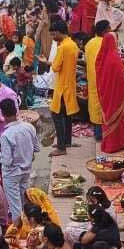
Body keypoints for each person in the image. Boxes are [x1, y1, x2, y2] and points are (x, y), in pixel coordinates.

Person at [0, 98, 38, 222]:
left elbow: (7, 161)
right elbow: (36, 148)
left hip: (11, 174)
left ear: (3, 115)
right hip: (26, 170)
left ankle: (19, 233)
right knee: (24, 201)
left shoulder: (6, 135)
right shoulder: (29, 127)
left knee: (15, 207)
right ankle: (28, 226)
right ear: (16, 111)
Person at [95, 28, 124, 153]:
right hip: (116, 95)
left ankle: (109, 145)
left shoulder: (102, 57)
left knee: (108, 120)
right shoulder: (115, 58)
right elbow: (122, 79)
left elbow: (99, 73)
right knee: (118, 122)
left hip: (105, 95)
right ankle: (117, 144)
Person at [49, 18, 79, 157]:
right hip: (70, 84)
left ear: (60, 32)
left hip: (62, 86)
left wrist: (48, 62)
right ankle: (67, 141)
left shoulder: (62, 47)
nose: (54, 38)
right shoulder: (72, 44)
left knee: (56, 114)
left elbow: (55, 67)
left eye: (54, 34)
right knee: (67, 115)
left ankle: (61, 147)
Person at [84, 21, 106, 140]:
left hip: (92, 79)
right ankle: (103, 133)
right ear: (104, 31)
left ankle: (98, 134)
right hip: (103, 78)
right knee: (103, 105)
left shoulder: (89, 44)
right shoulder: (105, 43)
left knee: (95, 105)